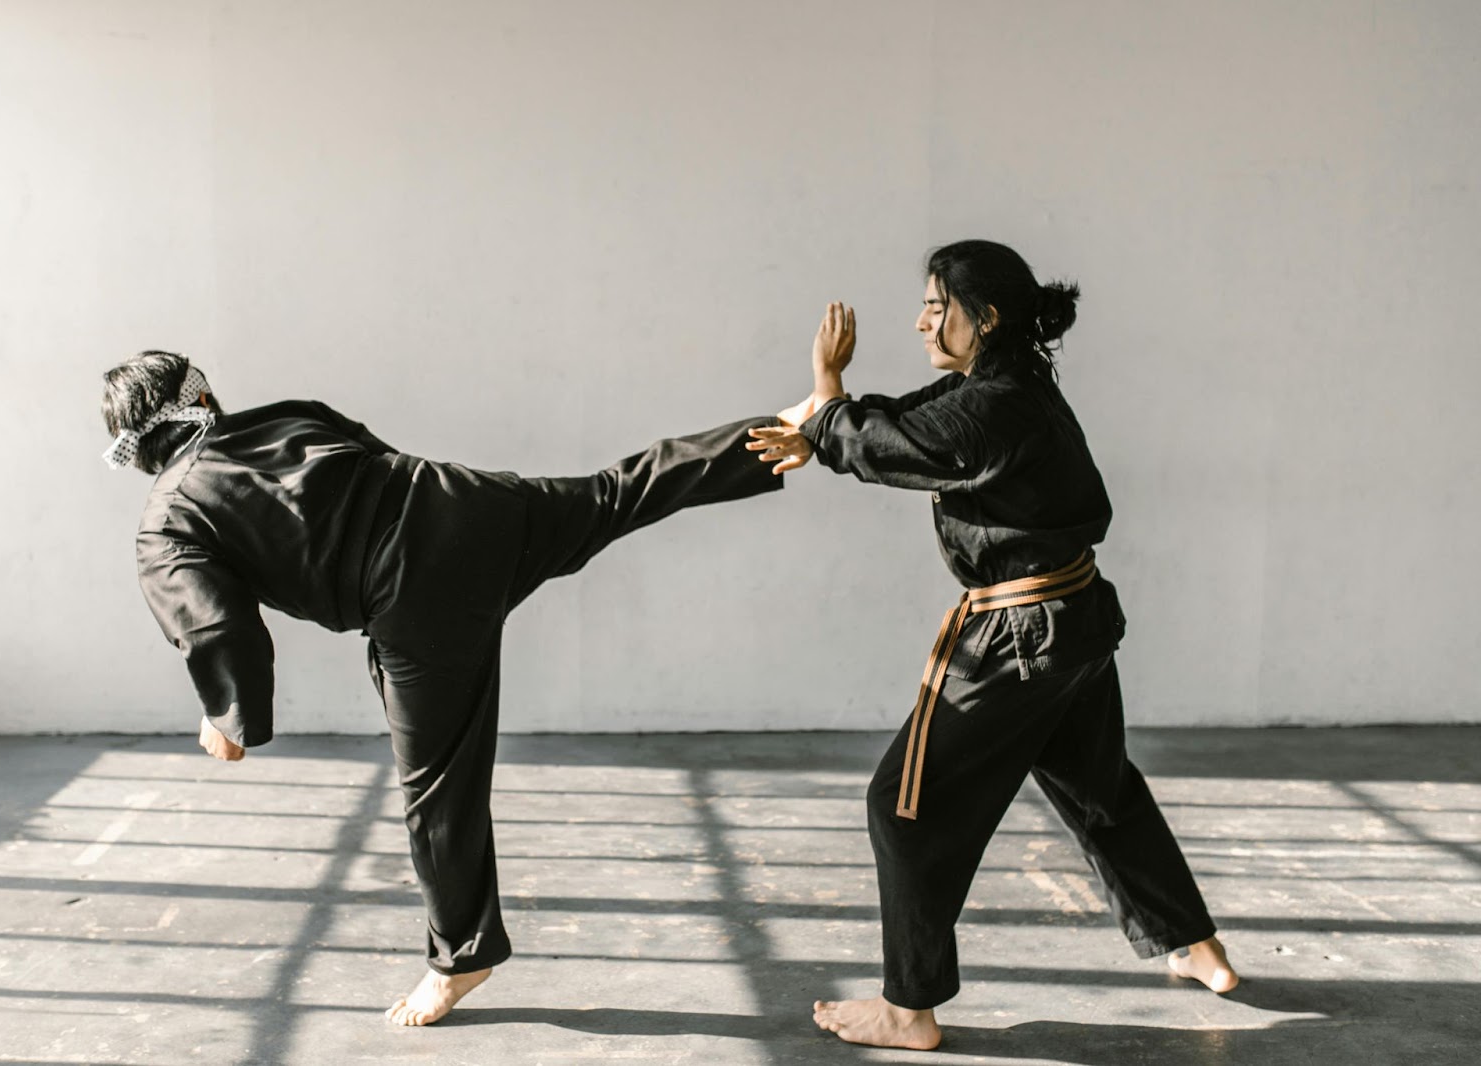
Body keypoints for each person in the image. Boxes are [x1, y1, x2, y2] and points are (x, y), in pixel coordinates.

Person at [101, 351, 784, 1026]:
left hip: (415, 603)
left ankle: (462, 958)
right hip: (469, 506)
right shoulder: (282, 417)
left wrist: (228, 719)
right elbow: (372, 456)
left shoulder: (166, 523)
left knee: (437, 790)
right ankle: (787, 433)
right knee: (617, 491)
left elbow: (221, 630)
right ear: (202, 400)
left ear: (132, 451)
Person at [746, 240, 1239, 1052]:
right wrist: (824, 426)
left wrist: (828, 401)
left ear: (989, 317)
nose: (921, 320)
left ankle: (909, 1009)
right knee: (1098, 789)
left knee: (902, 808)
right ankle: (1197, 948)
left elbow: (909, 444)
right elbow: (914, 419)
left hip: (1021, 633)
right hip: (1075, 617)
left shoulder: (997, 406)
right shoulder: (1013, 384)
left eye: (938, 306)